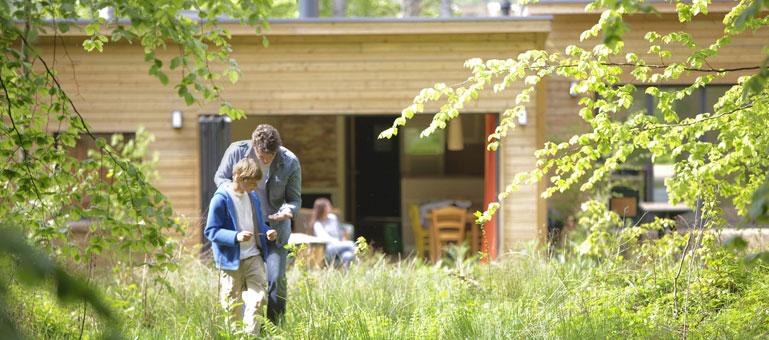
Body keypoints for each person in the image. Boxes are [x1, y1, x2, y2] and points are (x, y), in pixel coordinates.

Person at [214, 124, 301, 324]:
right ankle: (249, 329)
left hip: (274, 229)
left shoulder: (290, 162)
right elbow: (220, 177)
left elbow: (294, 200)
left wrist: (288, 211)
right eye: (262, 155)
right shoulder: (236, 151)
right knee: (244, 282)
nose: (266, 160)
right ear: (253, 145)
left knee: (275, 281)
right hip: (242, 227)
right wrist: (236, 194)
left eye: (270, 156)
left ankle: (274, 329)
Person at [204, 158, 277, 336]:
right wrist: (235, 237)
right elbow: (211, 231)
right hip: (230, 262)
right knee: (232, 309)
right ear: (238, 176)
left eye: (255, 183)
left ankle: (250, 336)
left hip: (254, 256)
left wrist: (267, 232)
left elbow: (258, 223)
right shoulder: (220, 199)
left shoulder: (252, 197)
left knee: (259, 299)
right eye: (251, 183)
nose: (253, 187)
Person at [310, 198, 356, 267]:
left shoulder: (333, 218)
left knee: (347, 255)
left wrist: (343, 239)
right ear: (322, 209)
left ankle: (345, 275)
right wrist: (339, 242)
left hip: (340, 245)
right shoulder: (318, 224)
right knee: (351, 244)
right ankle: (362, 259)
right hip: (328, 248)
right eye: (328, 206)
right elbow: (324, 238)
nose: (330, 207)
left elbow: (339, 231)